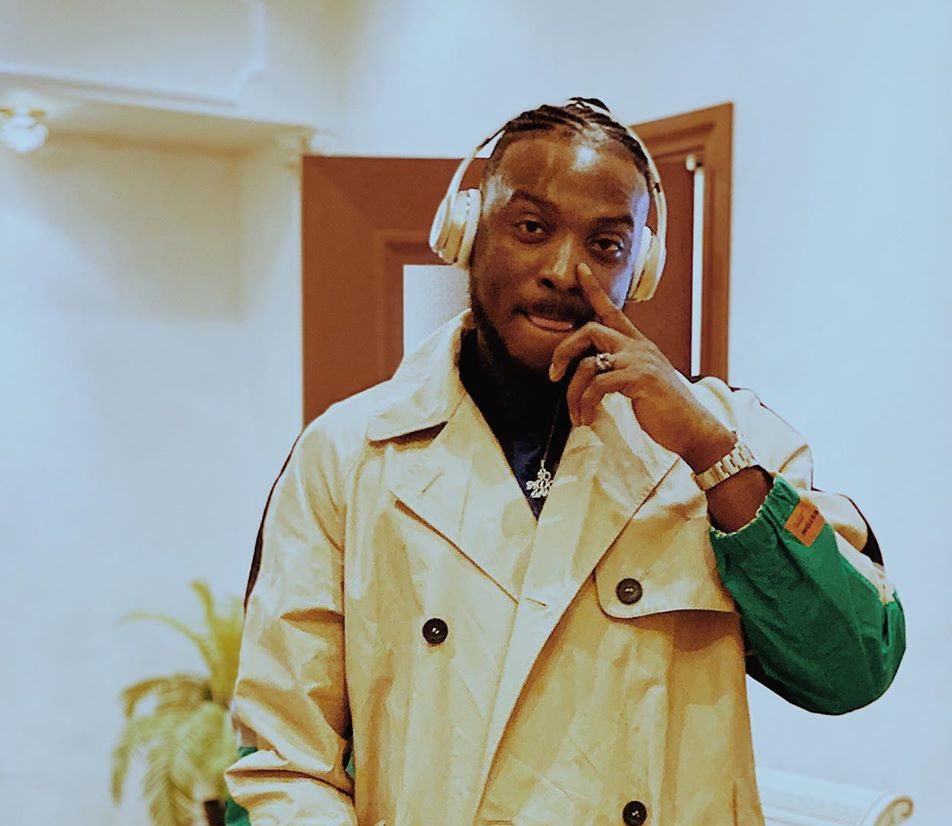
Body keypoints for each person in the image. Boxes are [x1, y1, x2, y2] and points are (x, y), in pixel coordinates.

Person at [224, 98, 906, 825]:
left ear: (640, 269)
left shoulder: (730, 440)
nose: (563, 269)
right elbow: (282, 764)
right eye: (531, 227)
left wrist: (709, 455)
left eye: (606, 244)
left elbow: (854, 666)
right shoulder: (349, 454)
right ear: (466, 232)